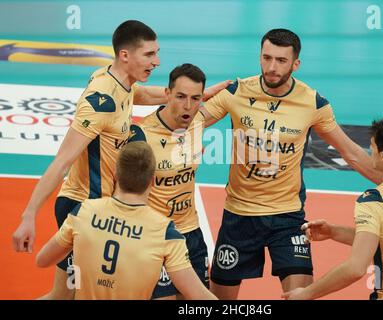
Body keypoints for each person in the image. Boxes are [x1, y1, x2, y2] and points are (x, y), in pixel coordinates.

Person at [12, 20, 228, 299]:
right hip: (83, 206)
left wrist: (186, 97)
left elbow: (140, 93)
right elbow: (62, 161)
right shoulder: (101, 101)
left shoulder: (120, 82)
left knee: (69, 296)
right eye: (149, 54)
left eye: (156, 53)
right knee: (64, 296)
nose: (157, 61)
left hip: (102, 207)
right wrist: (29, 215)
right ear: (125, 55)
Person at [198, 28, 382, 299]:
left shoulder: (313, 103)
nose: (272, 67)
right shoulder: (236, 91)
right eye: (266, 58)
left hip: (287, 216)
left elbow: (351, 152)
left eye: (281, 61)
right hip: (239, 215)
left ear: (296, 64)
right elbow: (186, 122)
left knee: (301, 295)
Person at [283, 119, 383, 300]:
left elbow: (355, 268)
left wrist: (305, 293)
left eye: (372, 147)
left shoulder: (374, 200)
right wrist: (333, 232)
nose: (370, 152)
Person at [36, 141, 217, 300]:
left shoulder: (84, 211)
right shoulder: (165, 232)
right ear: (152, 181)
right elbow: (198, 295)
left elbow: (42, 260)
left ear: (115, 175)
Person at [129, 63, 209, 299]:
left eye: (195, 98)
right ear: (167, 94)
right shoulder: (142, 136)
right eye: (181, 96)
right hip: (155, 236)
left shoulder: (197, 123)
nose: (188, 106)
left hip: (191, 233)